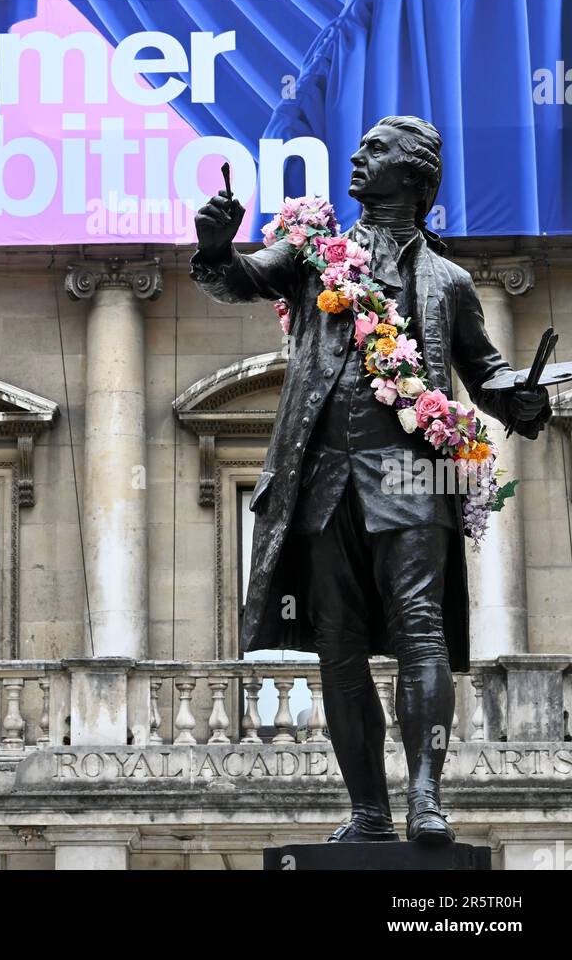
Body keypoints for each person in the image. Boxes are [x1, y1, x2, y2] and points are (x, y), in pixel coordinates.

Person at [191, 116, 549, 843]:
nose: (357, 156)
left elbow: (487, 377)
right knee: (340, 646)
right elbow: (243, 278)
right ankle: (367, 812)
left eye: (378, 150)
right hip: (323, 478)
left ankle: (425, 796)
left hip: (414, 475)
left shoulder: (448, 282)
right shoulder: (315, 254)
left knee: (421, 630)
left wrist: (526, 397)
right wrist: (214, 244)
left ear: (414, 176)